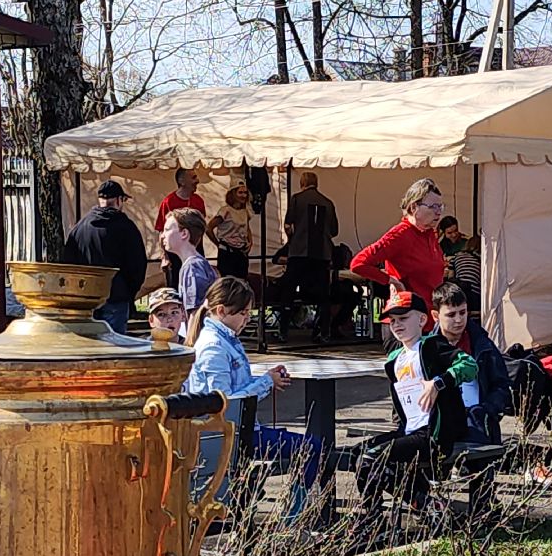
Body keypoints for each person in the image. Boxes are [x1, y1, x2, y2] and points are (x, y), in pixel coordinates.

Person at [183, 277, 323, 522]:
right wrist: (267, 382)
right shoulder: (213, 346)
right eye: (243, 313)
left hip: (239, 430)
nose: (248, 319)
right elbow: (225, 401)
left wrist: (266, 379)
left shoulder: (225, 338)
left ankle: (288, 509)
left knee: (306, 446)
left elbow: (236, 387)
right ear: (221, 311)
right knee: (310, 447)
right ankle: (292, 516)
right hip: (230, 434)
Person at [354, 291, 477, 522]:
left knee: (372, 459)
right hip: (409, 431)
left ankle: (383, 517)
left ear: (422, 320)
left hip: (433, 434)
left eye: (404, 318)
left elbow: (469, 365)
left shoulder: (432, 346)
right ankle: (416, 502)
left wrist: (439, 383)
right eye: (393, 321)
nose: (397, 325)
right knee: (356, 455)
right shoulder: (394, 359)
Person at [61, 178, 148, 333]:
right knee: (115, 348)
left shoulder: (80, 228)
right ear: (119, 200)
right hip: (116, 297)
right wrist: (129, 292)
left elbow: (68, 263)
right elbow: (137, 264)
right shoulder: (126, 228)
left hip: (87, 298)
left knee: (90, 347)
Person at [350, 179, 447, 314]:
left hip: (432, 315)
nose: (438, 212)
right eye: (433, 207)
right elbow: (358, 264)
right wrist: (392, 281)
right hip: (410, 317)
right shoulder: (399, 235)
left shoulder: (429, 233)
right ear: (414, 207)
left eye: (440, 207)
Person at [432, 282, 510, 444]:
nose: (459, 320)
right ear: (435, 316)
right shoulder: (426, 348)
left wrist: (487, 410)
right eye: (451, 315)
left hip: (478, 420)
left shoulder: (482, 344)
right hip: (440, 422)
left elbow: (501, 384)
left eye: (463, 312)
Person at [274, 171, 339, 343]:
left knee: (288, 291)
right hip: (321, 255)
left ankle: (283, 332)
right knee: (324, 296)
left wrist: (293, 238)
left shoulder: (296, 199)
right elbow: (334, 231)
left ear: (302, 182)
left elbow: (288, 224)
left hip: (299, 253)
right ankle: (324, 332)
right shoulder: (328, 203)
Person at [163, 207, 218, 323]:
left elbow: (195, 313)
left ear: (184, 234)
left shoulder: (193, 267)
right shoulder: (196, 264)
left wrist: (190, 341)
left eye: (167, 230)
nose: (163, 235)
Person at [155, 167, 205, 287]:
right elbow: (162, 231)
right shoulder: (169, 202)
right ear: (182, 181)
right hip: (175, 254)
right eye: (193, 177)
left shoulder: (198, 201)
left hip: (195, 251)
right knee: (176, 287)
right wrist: (164, 257)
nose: (197, 181)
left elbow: (202, 228)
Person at [209, 182, 253, 279]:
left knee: (242, 280)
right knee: (228, 281)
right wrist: (218, 244)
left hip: (241, 252)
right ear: (233, 194)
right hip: (227, 253)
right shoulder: (225, 211)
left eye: (245, 193)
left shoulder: (245, 212)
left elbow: (247, 228)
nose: (243, 196)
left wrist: (250, 242)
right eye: (240, 193)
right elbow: (209, 228)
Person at [445, 233, 482, 313]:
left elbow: (450, 277)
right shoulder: (480, 260)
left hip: (460, 290)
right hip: (475, 293)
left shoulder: (457, 255)